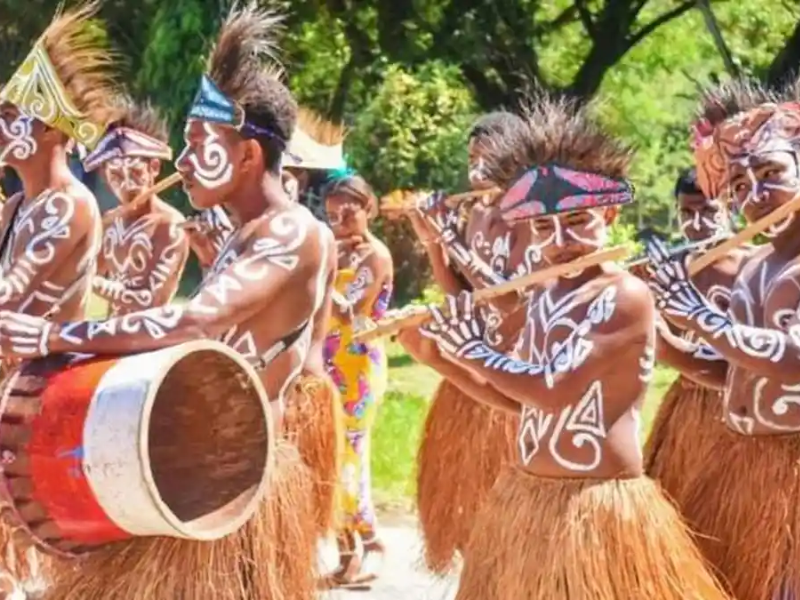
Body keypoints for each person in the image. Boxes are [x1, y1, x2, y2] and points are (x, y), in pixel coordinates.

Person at [0, 4, 330, 600]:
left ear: (249, 155)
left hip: (225, 486)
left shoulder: (293, 230)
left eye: (198, 143)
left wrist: (52, 337)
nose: (180, 162)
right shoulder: (246, 234)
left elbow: (196, 321)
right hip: (175, 467)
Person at [418, 95, 730, 600]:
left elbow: (555, 391)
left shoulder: (623, 296)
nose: (561, 240)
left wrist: (470, 348)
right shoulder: (544, 292)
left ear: (608, 214)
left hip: (597, 511)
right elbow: (522, 407)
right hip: (528, 500)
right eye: (544, 227)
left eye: (578, 221)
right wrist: (442, 359)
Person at [646, 94, 800, 599]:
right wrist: (664, 338)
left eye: (772, 173)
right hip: (740, 464)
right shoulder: (756, 265)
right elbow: (733, 370)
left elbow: (792, 359)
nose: (756, 194)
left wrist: (698, 316)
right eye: (739, 184)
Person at [0, 1, 117, 589]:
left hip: (35, 399)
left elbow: (8, 298)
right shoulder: (19, 206)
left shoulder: (69, 204)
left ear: (48, 128)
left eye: (8, 115)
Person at [396, 111, 533, 574]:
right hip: (469, 370)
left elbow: (509, 299)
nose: (476, 171)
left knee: (510, 520)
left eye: (487, 159)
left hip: (512, 373)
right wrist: (434, 242)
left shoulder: (530, 218)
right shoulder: (475, 215)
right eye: (471, 159)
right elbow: (462, 296)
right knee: (469, 517)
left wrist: (451, 237)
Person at [642, 166, 749, 516]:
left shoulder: (753, 265)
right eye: (686, 213)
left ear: (731, 207)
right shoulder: (672, 268)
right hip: (684, 408)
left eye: (708, 211)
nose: (697, 223)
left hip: (737, 409)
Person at [319, 174, 393, 588]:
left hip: (359, 367)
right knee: (330, 456)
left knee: (351, 457)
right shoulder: (335, 252)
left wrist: (322, 271)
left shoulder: (375, 256)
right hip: (328, 362)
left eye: (350, 209)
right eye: (333, 211)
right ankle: (346, 550)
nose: (341, 218)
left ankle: (373, 542)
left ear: (368, 208)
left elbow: (353, 314)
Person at [82, 97, 190, 316]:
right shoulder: (111, 222)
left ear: (154, 167)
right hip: (109, 335)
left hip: (150, 342)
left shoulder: (171, 226)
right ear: (105, 176)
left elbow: (151, 299)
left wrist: (91, 282)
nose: (127, 185)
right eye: (116, 175)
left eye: (135, 172)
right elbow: (86, 271)